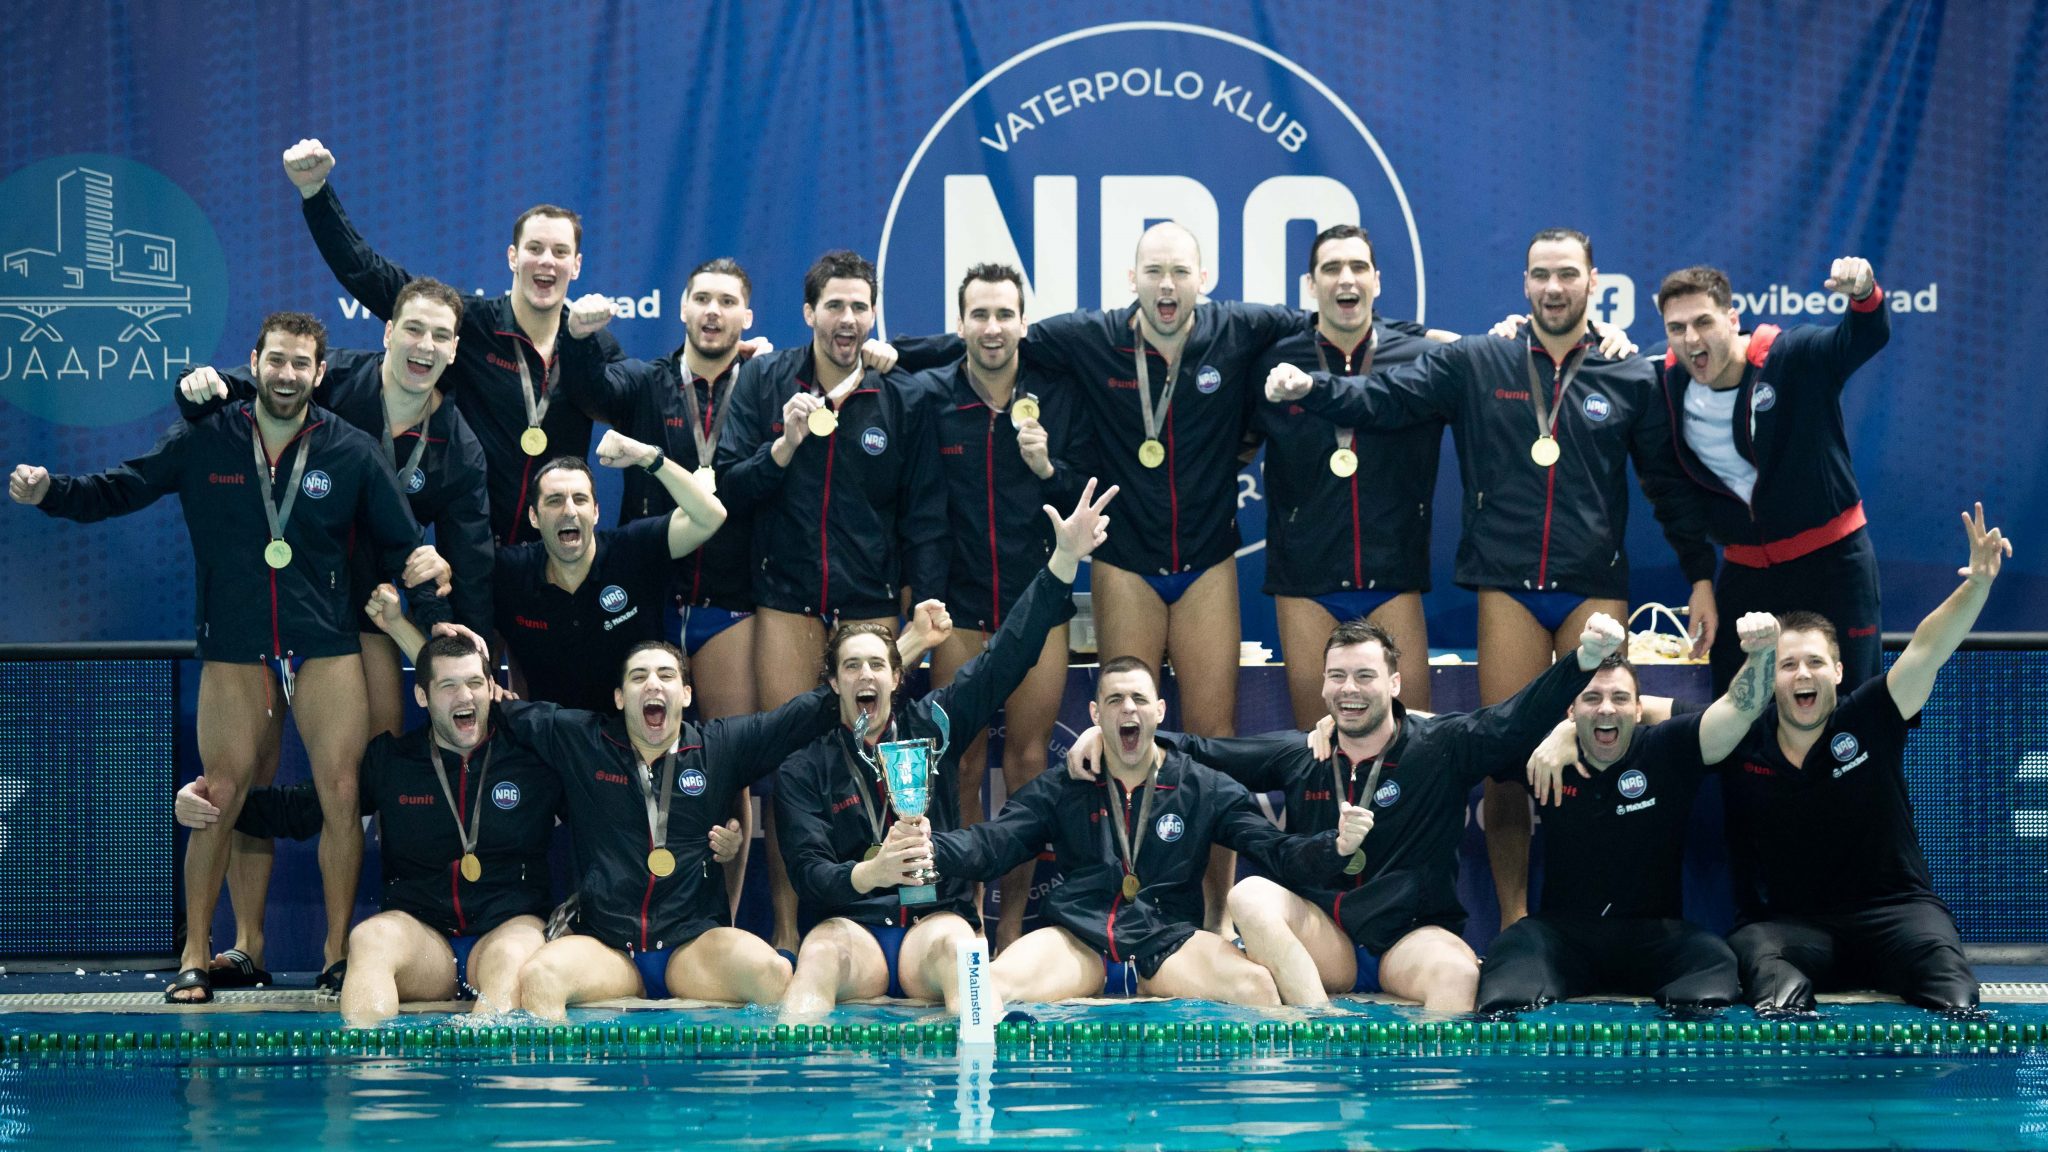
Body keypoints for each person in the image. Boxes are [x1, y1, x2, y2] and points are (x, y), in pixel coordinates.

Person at [1266, 228, 1718, 931]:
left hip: (1592, 585)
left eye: (1568, 275)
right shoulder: (1481, 359)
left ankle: (1608, 913)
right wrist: (1315, 387)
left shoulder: (1630, 375)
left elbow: (1666, 486)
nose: (1553, 288)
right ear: (1524, 283)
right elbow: (1386, 397)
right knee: (1507, 758)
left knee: (1608, 744)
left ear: (1594, 283)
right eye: (1540, 275)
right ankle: (1512, 921)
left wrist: (1700, 577)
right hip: (1506, 586)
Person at [9, 312, 452, 1002]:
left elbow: (405, 546)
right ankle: (198, 950)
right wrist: (49, 494)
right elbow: (124, 486)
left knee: (340, 792)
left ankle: (338, 952)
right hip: (236, 645)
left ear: (319, 373)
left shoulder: (352, 450)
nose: (287, 375)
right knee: (221, 794)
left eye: (301, 365)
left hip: (324, 644)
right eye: (275, 360)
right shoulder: (207, 439)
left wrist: (434, 599)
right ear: (255, 360)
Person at [374, 602, 947, 1018]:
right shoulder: (579, 739)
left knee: (773, 973)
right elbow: (478, 700)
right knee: (541, 977)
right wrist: (440, 644)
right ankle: (548, 1109)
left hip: (690, 945)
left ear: (686, 694)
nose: (655, 686)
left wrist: (908, 650)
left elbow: (808, 712)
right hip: (608, 947)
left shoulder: (720, 745)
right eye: (640, 677)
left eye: (668, 676)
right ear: (620, 697)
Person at [1069, 613, 1626, 1009]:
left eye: (1364, 676)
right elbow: (1206, 751)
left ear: (1395, 682)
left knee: (1457, 979)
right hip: (1323, 941)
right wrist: (1119, 733)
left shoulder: (1441, 745)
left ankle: (1422, 1117)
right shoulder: (1302, 754)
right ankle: (1317, 1035)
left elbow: (1515, 719)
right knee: (1249, 894)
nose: (1349, 690)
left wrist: (1582, 662)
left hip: (1407, 938)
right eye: (1337, 677)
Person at [776, 480, 1112, 1018]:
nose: (867, 675)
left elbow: (1007, 656)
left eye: (878, 665)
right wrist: (872, 874)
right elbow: (809, 872)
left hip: (933, 925)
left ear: (897, 677)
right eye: (851, 666)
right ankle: (801, 1087)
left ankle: (980, 1093)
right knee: (814, 957)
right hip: (853, 930)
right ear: (834, 683)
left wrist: (1064, 563)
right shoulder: (805, 765)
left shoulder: (932, 725)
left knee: (967, 956)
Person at [896, 656, 1370, 1006]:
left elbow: (1275, 848)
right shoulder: (1066, 784)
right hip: (1079, 940)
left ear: (1159, 712)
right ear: (1095, 714)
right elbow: (995, 842)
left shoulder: (1202, 787)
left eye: (1139, 699)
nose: (1128, 708)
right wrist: (930, 849)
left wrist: (1334, 848)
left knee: (1258, 990)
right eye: (1115, 700)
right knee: (990, 986)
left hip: (1168, 941)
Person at [715, 248, 947, 951]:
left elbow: (923, 517)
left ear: (874, 314)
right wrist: (784, 443)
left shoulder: (897, 396)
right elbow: (731, 486)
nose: (847, 320)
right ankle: (788, 930)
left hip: (871, 604)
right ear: (809, 312)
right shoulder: (760, 381)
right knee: (794, 770)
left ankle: (900, 919)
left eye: (859, 306)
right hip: (786, 601)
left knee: (886, 763)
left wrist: (919, 606)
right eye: (834, 306)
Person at [171, 633, 571, 1025]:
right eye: (448, 686)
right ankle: (374, 1076)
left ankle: (489, 1069)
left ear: (490, 688)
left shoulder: (532, 760)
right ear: (422, 696)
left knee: (511, 959)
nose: (464, 697)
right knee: (368, 941)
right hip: (422, 939)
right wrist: (211, 802)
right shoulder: (393, 762)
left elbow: (603, 808)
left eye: (473, 683)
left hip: (507, 926)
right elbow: (301, 810)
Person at [1719, 504, 2009, 1015]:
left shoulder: (1871, 714)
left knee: (1956, 994)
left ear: (1837, 670)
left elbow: (1927, 646)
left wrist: (1978, 586)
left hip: (1896, 915)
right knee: (1757, 960)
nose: (1801, 674)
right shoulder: (1742, 734)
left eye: (1814, 662)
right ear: (1771, 678)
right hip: (1795, 926)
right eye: (1787, 664)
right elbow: (1662, 718)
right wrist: (1568, 732)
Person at [177, 277, 493, 738]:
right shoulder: (335, 378)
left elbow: (473, 564)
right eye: (413, 329)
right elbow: (251, 389)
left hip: (367, 605)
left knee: (371, 760)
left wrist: (477, 660)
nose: (425, 346)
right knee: (250, 769)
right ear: (388, 333)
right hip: (279, 591)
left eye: (440, 335)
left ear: (454, 349)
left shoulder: (461, 450)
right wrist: (200, 385)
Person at [557, 257, 767, 918]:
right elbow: (591, 390)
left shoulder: (765, 384)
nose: (712, 311)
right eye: (701, 298)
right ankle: (618, 910)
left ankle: (725, 919)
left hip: (729, 601)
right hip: (647, 598)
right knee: (625, 758)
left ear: (747, 316)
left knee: (728, 765)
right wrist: (577, 339)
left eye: (726, 301)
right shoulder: (648, 382)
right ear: (681, 309)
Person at [283, 138, 623, 544]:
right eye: (534, 248)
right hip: (476, 546)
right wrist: (315, 192)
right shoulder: (470, 324)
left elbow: (624, 405)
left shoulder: (594, 345)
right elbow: (369, 275)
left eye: (559, 251)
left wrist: (582, 343)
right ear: (513, 257)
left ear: (576, 264)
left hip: (553, 554)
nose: (546, 261)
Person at [1476, 613, 1781, 1013]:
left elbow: (1739, 712)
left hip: (1656, 936)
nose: (1606, 709)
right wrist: (1555, 733)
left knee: (1714, 967)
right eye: (1591, 698)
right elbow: (1472, 736)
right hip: (1562, 937)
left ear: (1640, 710)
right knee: (1505, 984)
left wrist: (1763, 655)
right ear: (1571, 711)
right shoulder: (1544, 756)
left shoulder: (1666, 748)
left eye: (1620, 698)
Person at [913, 262, 1084, 949]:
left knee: (1027, 763)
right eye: (978, 315)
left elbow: (1085, 498)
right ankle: (961, 913)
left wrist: (1049, 469)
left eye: (1004, 315)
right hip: (958, 608)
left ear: (1023, 321)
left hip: (1037, 606)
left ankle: (1013, 923)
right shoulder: (930, 397)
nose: (991, 328)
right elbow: (922, 512)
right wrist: (925, 600)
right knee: (957, 762)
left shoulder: (1057, 397)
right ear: (960, 324)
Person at [1655, 259, 1890, 693]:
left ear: (1732, 319)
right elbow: (1672, 495)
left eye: (1703, 322)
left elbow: (1861, 337)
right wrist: (1701, 581)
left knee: (1857, 707)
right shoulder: (1666, 385)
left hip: (1833, 564)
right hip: (1747, 577)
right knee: (1737, 710)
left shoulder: (1791, 357)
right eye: (1676, 328)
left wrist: (1863, 295)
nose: (1692, 339)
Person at [1250, 224, 1454, 722]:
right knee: (1316, 744)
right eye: (1332, 268)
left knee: (1411, 743)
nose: (1347, 278)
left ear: (1377, 281)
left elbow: (1507, 364)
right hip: (1305, 582)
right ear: (1310, 284)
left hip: (1392, 575)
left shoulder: (1421, 357)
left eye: (1359, 267)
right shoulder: (1272, 362)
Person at [492, 432, 725, 713]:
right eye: (554, 500)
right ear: (534, 516)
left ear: (597, 512)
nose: (569, 510)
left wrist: (648, 457)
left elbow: (711, 515)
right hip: (552, 740)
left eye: (580, 499)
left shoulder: (632, 549)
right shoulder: (510, 571)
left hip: (633, 735)